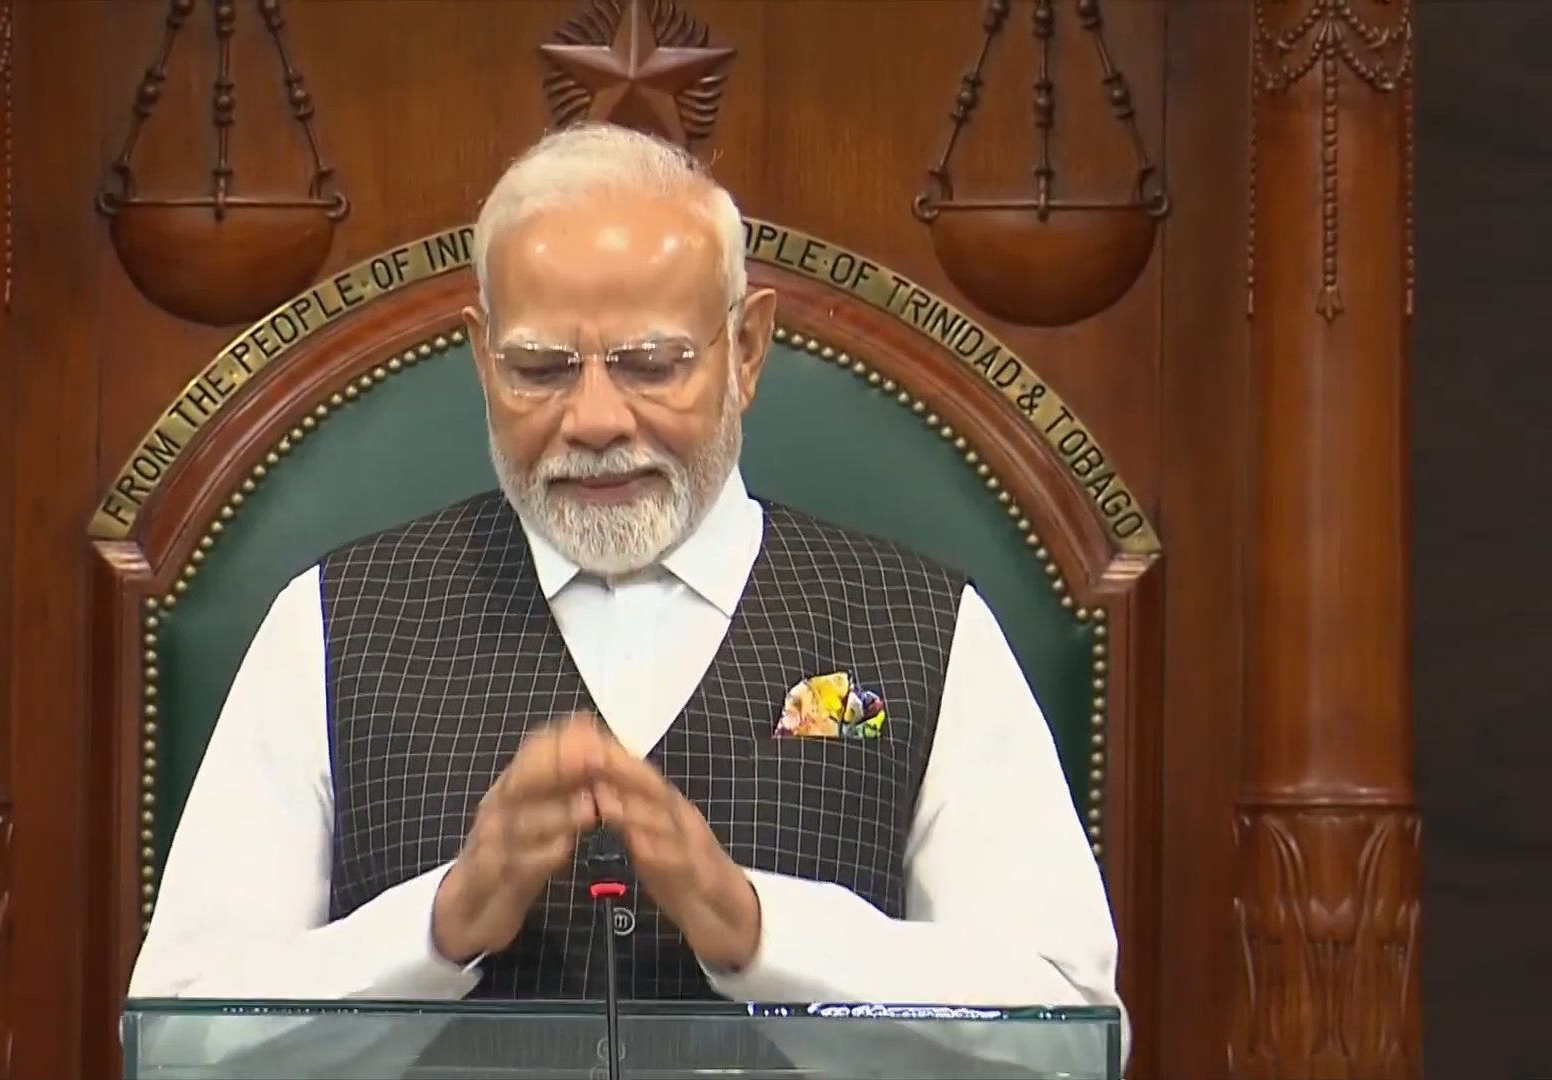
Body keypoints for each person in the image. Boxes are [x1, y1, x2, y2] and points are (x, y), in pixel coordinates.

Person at [129, 124, 1122, 1044]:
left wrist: (759, 931)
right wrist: (435, 929)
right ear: (481, 360)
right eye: (541, 368)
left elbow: (1066, 1018)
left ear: (745, 352)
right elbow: (180, 1028)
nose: (596, 417)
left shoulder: (921, 627)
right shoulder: (330, 622)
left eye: (651, 363)